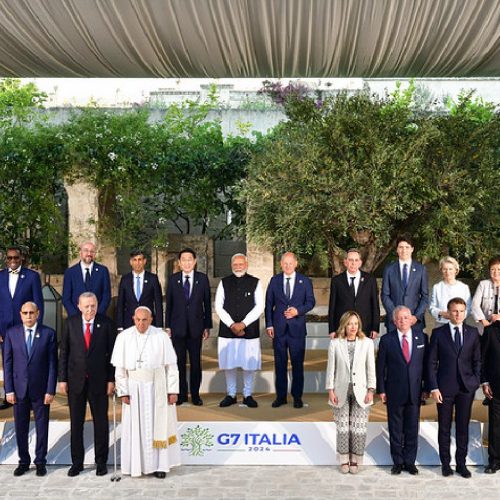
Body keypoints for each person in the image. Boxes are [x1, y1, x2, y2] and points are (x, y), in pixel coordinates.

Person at [112, 306, 180, 478]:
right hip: (133, 389)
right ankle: (136, 466)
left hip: (157, 388)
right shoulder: (124, 337)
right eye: (138, 320)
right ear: (133, 319)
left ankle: (160, 466)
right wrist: (123, 392)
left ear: (151, 320)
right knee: (136, 428)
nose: (141, 324)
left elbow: (171, 367)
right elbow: (120, 370)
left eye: (144, 320)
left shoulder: (161, 336)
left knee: (158, 426)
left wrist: (173, 390)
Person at [58, 292, 116, 477]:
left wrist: (111, 379)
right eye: (87, 306)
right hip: (75, 382)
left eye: (93, 305)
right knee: (76, 424)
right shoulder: (70, 323)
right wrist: (62, 379)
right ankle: (77, 463)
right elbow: (64, 353)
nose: (90, 309)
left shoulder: (106, 324)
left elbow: (112, 355)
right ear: (79, 306)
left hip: (99, 382)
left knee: (101, 424)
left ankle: (101, 462)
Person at [427, 297, 481, 478]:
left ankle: (461, 464)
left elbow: (477, 361)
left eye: (461, 311)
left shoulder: (473, 333)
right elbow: (431, 363)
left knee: (462, 427)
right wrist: (434, 387)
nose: (458, 314)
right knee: (444, 427)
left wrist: (475, 382)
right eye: (455, 311)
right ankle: (445, 464)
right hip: (444, 389)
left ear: (465, 313)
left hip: (466, 388)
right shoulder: (438, 333)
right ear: (449, 313)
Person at [3, 302, 57, 477]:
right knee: (21, 427)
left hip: (41, 390)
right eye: (25, 313)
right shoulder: (11, 334)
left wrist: (50, 390)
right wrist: (8, 390)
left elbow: (52, 365)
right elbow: (8, 363)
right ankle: (24, 462)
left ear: (37, 314)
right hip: (18, 390)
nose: (28, 316)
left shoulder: (49, 334)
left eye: (31, 313)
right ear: (20, 314)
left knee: (42, 427)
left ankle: (40, 462)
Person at [376, 306, 428, 475]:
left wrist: (426, 387)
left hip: (415, 391)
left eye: (406, 317)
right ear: (394, 321)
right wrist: (381, 389)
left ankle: (410, 462)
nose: (403, 321)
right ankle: (398, 462)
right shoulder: (387, 340)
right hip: (394, 391)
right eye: (399, 318)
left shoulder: (422, 337)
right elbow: (380, 367)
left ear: (412, 319)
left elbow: (427, 365)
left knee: (412, 428)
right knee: (395, 428)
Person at [326, 311, 375, 474]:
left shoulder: (367, 343)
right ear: (344, 325)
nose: (353, 327)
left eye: (355, 323)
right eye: (349, 324)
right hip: (340, 390)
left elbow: (371, 368)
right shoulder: (335, 343)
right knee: (343, 428)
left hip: (362, 390)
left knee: (358, 428)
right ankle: (343, 459)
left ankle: (355, 460)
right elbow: (330, 369)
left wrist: (371, 390)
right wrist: (330, 390)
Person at [265, 252, 315, 408]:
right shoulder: (274, 281)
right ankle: (281, 397)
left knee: (297, 364)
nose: (288, 266)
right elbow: (268, 304)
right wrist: (269, 324)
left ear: (296, 264)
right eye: (285, 263)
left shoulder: (304, 281)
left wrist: (297, 311)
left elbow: (311, 302)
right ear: (281, 264)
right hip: (278, 329)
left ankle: (297, 397)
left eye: (290, 263)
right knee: (280, 364)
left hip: (297, 329)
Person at [215, 254, 264, 408]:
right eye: (235, 264)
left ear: (246, 264)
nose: (238, 267)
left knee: (249, 363)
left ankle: (247, 394)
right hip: (227, 330)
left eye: (241, 264)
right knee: (229, 364)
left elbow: (259, 306)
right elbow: (218, 306)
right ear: (231, 265)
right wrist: (232, 324)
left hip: (249, 330)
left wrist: (243, 324)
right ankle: (231, 394)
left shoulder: (256, 282)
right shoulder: (223, 282)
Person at [165, 248, 212, 406]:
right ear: (179, 263)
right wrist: (168, 326)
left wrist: (207, 326)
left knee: (195, 363)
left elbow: (207, 304)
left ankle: (196, 395)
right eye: (183, 260)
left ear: (195, 261)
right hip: (177, 328)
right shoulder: (173, 280)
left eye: (189, 259)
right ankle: (182, 394)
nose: (187, 262)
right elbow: (169, 305)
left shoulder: (202, 279)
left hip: (196, 327)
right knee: (179, 363)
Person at [0, 245, 44, 410]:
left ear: (21, 259)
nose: (13, 260)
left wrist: (36, 326)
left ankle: (29, 397)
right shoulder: (0, 276)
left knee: (27, 361)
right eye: (10, 258)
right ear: (6, 260)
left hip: (26, 326)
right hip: (4, 329)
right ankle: (9, 395)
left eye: (16, 257)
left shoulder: (32, 277)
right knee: (8, 362)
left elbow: (38, 303)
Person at [328, 248, 380, 339]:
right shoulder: (337, 281)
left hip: (365, 327)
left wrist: (375, 328)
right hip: (343, 327)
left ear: (360, 263)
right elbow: (332, 306)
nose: (353, 263)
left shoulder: (370, 280)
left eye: (356, 260)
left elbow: (375, 305)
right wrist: (332, 329)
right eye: (350, 260)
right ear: (345, 262)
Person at [381, 234, 429, 330]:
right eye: (401, 247)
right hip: (394, 321)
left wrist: (416, 316)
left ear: (412, 249)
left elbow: (425, 296)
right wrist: (396, 315)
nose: (404, 250)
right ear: (397, 249)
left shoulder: (421, 269)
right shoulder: (389, 269)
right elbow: (385, 295)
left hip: (414, 321)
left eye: (407, 247)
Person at [116, 250, 163, 330]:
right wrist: (120, 326)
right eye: (134, 260)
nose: (137, 263)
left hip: (148, 322)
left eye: (140, 260)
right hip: (129, 323)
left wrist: (159, 326)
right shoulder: (125, 280)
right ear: (131, 262)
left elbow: (158, 304)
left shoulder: (153, 279)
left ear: (144, 261)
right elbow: (120, 304)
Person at [62, 241, 111, 317]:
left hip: (98, 318)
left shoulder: (103, 271)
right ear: (80, 253)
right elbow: (66, 298)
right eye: (86, 250)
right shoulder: (70, 272)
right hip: (76, 318)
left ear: (95, 254)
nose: (89, 254)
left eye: (92, 251)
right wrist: (76, 317)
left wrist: (97, 315)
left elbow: (106, 296)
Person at [481, 320, 500, 473]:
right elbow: (482, 359)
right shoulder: (490, 331)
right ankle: (494, 460)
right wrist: (485, 381)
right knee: (495, 425)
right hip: (495, 388)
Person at [429, 256, 471, 325]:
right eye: (444, 269)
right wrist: (441, 313)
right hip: (441, 324)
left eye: (450, 269)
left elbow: (468, 308)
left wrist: (459, 317)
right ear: (441, 270)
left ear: (456, 270)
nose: (447, 272)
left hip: (459, 324)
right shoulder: (437, 287)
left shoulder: (464, 287)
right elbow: (432, 308)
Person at [471, 256, 500, 334]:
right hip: (486, 324)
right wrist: (483, 321)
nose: (496, 272)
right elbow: (474, 304)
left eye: (499, 269)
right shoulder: (483, 284)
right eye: (492, 269)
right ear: (489, 270)